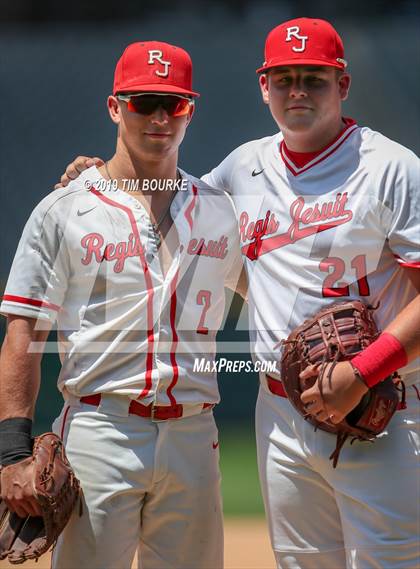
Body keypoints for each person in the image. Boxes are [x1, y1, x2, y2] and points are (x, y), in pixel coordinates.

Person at [58, 18, 420, 568]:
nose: (297, 91)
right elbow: (159, 193)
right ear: (263, 86)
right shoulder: (241, 168)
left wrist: (364, 371)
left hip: (381, 405)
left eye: (314, 79)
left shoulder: (391, 169)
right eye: (284, 78)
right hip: (281, 411)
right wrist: (100, 175)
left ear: (342, 85)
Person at [0, 41, 244, 569]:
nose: (159, 116)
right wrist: (13, 451)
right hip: (99, 431)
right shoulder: (65, 209)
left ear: (190, 111)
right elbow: (23, 331)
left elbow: (271, 289)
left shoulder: (220, 211)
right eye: (143, 102)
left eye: (173, 104)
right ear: (115, 107)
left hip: (194, 435)